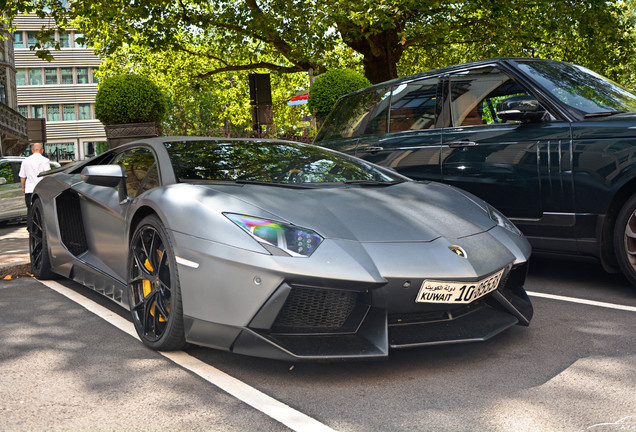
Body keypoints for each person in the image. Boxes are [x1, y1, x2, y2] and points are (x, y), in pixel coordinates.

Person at [19, 143, 51, 221]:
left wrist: (23, 188)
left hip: (29, 190)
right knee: (41, 211)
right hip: (41, 190)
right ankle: (40, 230)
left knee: (30, 210)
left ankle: (30, 230)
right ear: (42, 150)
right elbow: (47, 175)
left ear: (32, 150)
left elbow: (22, 176)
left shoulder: (25, 161)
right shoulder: (45, 160)